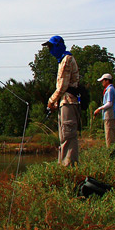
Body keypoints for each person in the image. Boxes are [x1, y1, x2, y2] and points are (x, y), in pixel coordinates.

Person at [44, 35, 80, 167]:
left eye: (51, 46)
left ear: (58, 46)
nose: (50, 50)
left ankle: (69, 166)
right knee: (64, 136)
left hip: (68, 102)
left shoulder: (67, 59)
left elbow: (62, 86)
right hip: (64, 102)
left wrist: (51, 100)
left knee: (68, 136)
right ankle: (63, 164)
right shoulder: (61, 61)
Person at [93, 73, 115, 147]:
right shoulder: (109, 89)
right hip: (109, 116)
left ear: (107, 81)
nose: (102, 83)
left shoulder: (109, 90)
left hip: (110, 116)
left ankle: (111, 154)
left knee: (109, 137)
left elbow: (109, 103)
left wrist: (99, 109)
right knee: (110, 136)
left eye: (103, 81)